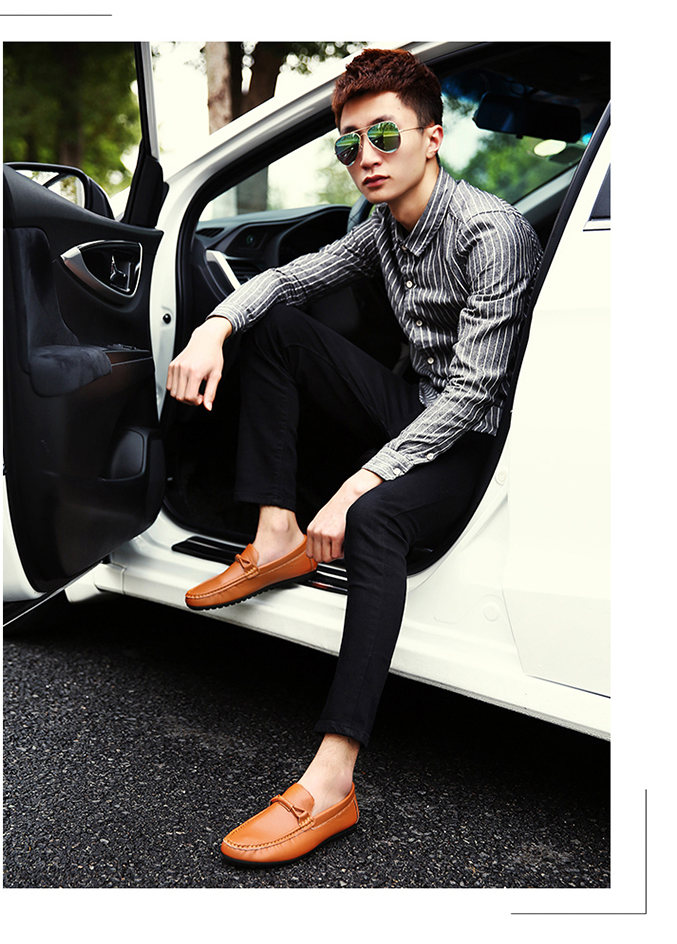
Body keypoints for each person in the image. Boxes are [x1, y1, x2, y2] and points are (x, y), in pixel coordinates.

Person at [166, 48, 542, 866]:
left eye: (384, 135)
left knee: (372, 521)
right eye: (349, 142)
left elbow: (472, 396)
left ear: (433, 138)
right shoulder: (380, 230)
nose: (365, 156)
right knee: (276, 330)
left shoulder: (493, 234)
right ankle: (276, 535)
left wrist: (357, 484)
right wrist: (212, 327)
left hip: (478, 441)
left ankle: (332, 781)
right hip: (419, 409)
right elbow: (288, 281)